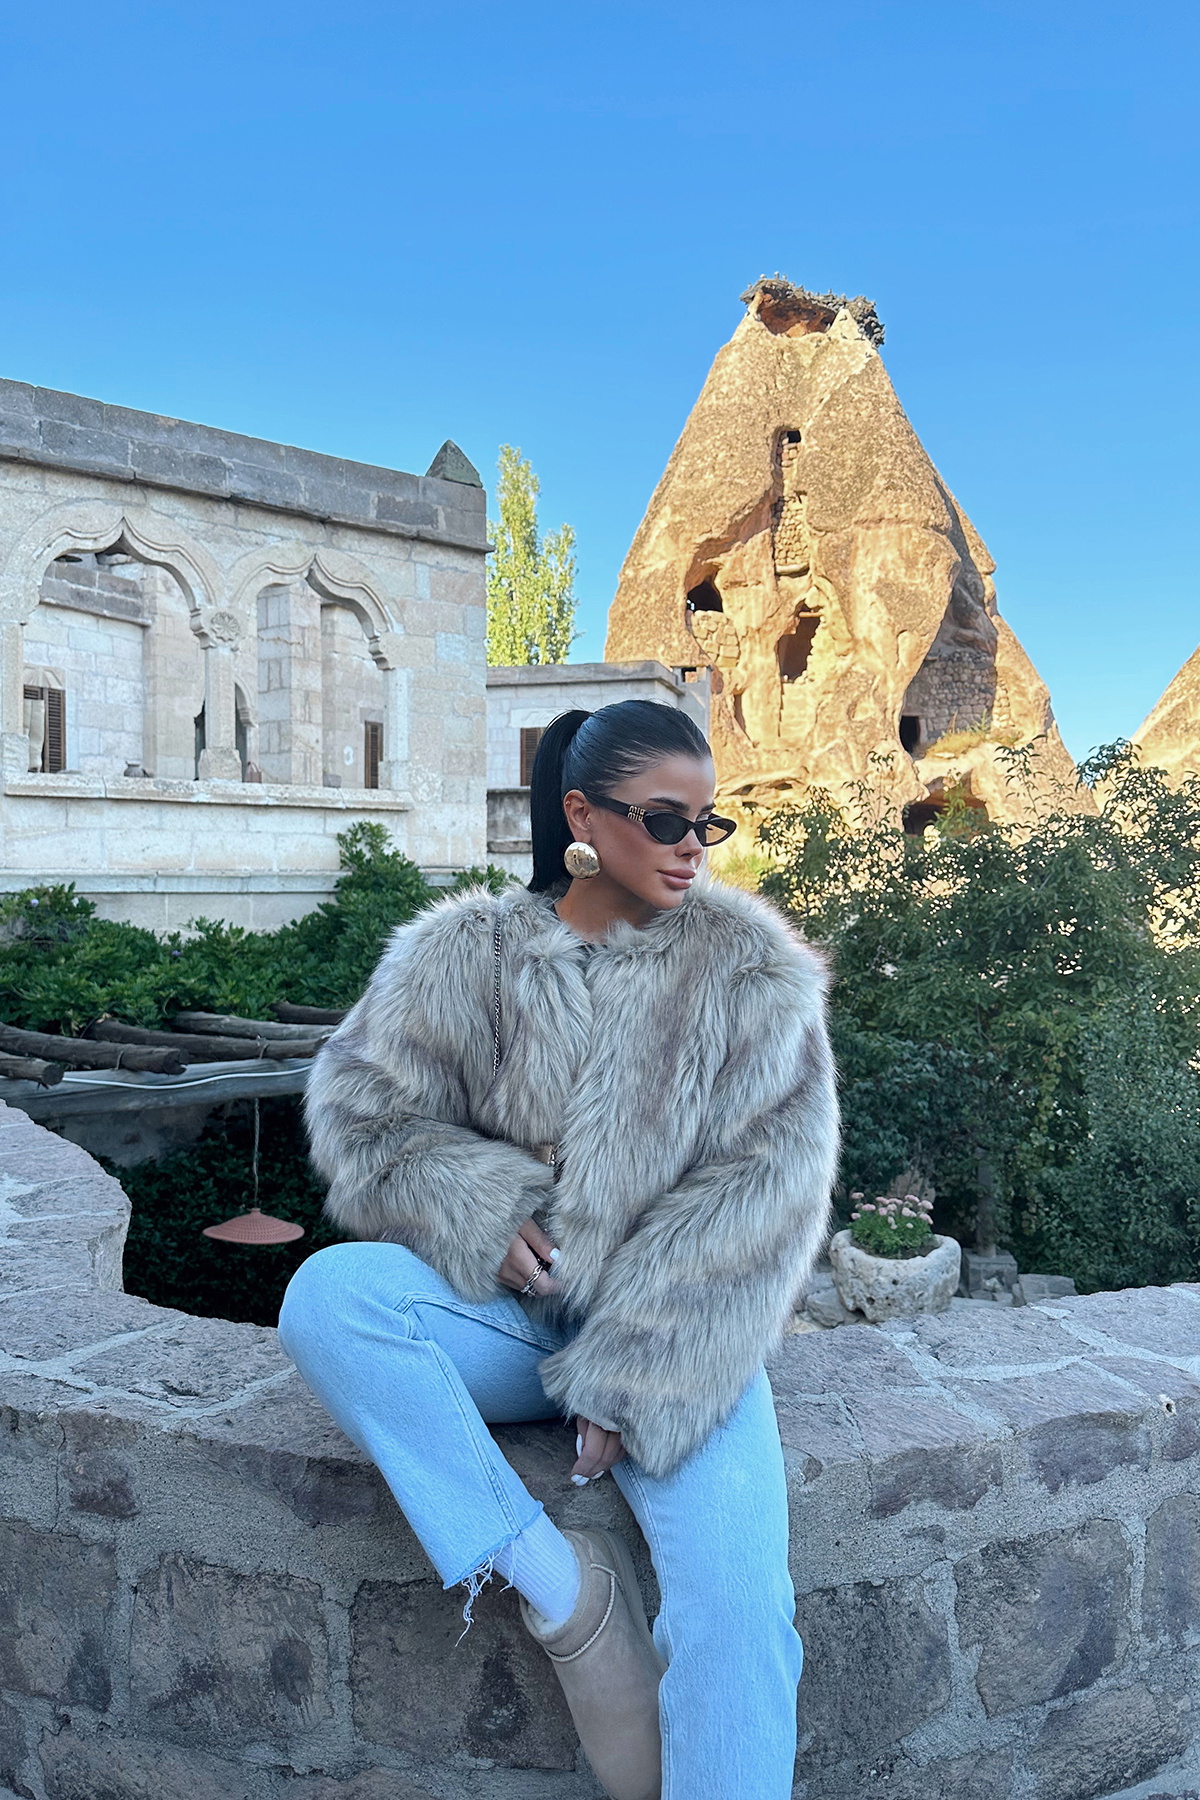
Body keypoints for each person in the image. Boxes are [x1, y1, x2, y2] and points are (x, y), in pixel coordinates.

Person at [278, 700, 839, 1800]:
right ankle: (567, 1596)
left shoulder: (750, 975)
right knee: (330, 1301)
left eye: (707, 824)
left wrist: (634, 1372)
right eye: (665, 821)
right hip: (508, 1324)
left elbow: (770, 1193)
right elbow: (358, 1112)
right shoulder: (464, 955)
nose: (691, 848)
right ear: (583, 815)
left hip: (681, 1337)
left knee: (738, 1614)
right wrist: (475, 1205)